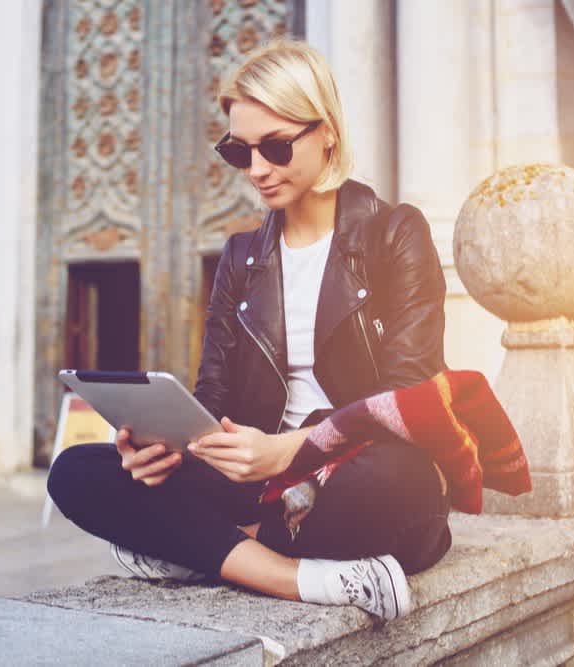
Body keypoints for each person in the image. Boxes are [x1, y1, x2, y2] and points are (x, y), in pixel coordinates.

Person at [47, 39, 451, 622]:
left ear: (327, 132)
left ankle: (204, 548)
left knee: (398, 482)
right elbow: (211, 397)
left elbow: (406, 400)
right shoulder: (242, 257)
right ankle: (297, 575)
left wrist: (287, 450)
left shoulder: (394, 235)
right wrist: (162, 445)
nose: (258, 170)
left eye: (278, 147)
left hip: (352, 475)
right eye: (240, 153)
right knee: (77, 472)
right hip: (256, 481)